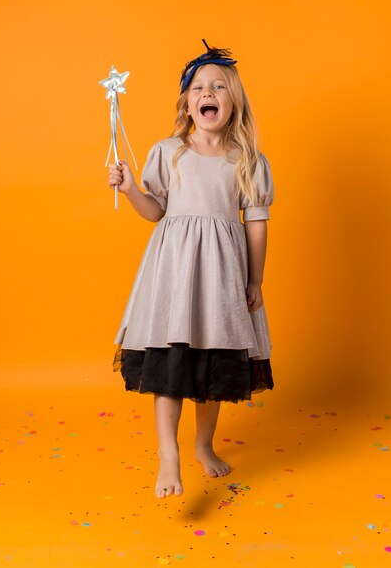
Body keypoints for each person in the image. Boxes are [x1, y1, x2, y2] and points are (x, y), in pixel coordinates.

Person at [108, 39, 275, 500]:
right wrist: (129, 190)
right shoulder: (169, 152)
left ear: (233, 101)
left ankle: (203, 445)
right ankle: (168, 453)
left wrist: (255, 280)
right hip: (176, 279)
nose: (209, 92)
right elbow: (155, 210)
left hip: (219, 281)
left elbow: (256, 227)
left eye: (219, 86)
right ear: (187, 102)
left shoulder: (249, 162)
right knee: (170, 364)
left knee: (210, 366)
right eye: (199, 86)